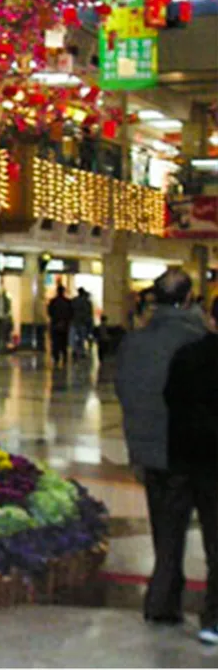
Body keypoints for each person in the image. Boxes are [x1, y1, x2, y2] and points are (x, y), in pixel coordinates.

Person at [115, 269, 212, 633]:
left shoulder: (134, 342)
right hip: (195, 451)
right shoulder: (198, 339)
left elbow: (125, 392)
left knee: (166, 530)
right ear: (189, 299)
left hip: (153, 453)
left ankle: (162, 599)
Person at [164, 318, 218, 644]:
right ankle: (214, 616)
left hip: (187, 457)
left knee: (172, 532)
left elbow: (170, 398)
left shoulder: (187, 355)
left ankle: (164, 600)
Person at [47, 284, 73, 367]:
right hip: (65, 325)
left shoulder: (53, 301)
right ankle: (64, 357)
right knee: (64, 342)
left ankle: (56, 357)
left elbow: (50, 312)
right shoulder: (68, 302)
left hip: (55, 324)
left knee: (55, 342)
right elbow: (71, 313)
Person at [72, 287, 95, 359]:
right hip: (83, 322)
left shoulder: (74, 301)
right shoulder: (87, 302)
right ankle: (81, 352)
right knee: (82, 337)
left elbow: (71, 311)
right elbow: (89, 313)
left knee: (75, 337)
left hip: (75, 322)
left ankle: (75, 351)